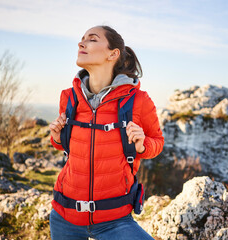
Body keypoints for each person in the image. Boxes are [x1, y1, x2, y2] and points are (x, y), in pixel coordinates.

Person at [48, 25, 164, 240]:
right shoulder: (69, 97)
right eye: (82, 39)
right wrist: (57, 138)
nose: (81, 43)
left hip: (115, 220)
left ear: (113, 53)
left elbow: (157, 142)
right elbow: (68, 147)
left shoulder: (138, 101)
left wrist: (142, 145)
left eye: (92, 39)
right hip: (64, 216)